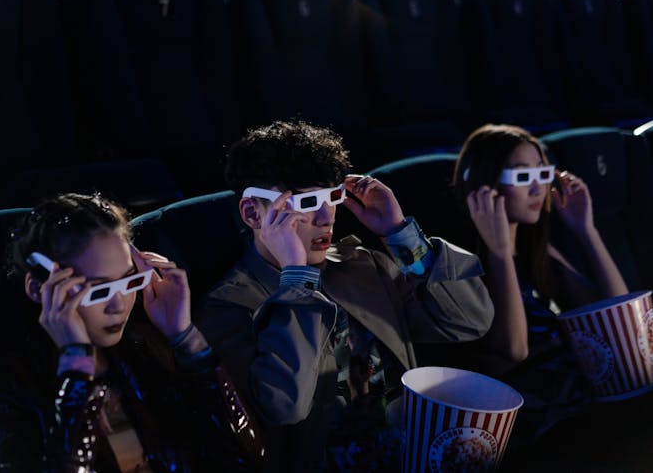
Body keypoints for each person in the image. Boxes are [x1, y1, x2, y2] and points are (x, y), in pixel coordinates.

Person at [195, 120, 495, 472]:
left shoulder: (362, 266)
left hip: (414, 450)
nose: (327, 219)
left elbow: (470, 322)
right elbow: (283, 407)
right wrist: (297, 279)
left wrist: (401, 235)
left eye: (332, 197)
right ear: (252, 213)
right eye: (307, 203)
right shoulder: (228, 305)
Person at [0, 193, 264, 472]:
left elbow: (246, 457)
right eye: (100, 290)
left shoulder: (145, 347)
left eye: (128, 283)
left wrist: (186, 338)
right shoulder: (2, 383)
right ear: (42, 289)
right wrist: (77, 375)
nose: (119, 305)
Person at [451, 124, 629, 440]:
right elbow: (514, 350)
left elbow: (617, 319)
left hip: (582, 399)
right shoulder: (463, 266)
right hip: (540, 421)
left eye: (542, 174)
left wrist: (586, 231)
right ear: (485, 186)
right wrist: (501, 254)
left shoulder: (537, 252)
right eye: (522, 177)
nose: (537, 189)